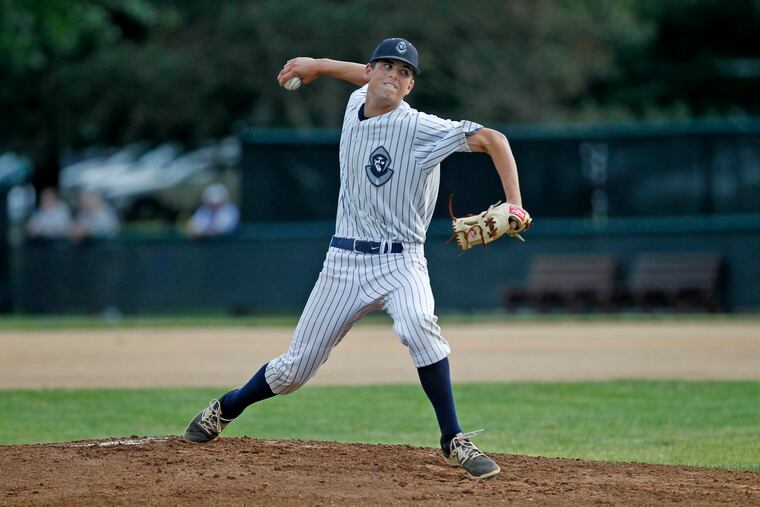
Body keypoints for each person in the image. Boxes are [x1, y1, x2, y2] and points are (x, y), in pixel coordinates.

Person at [183, 38, 529, 480]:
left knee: (419, 325)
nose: (394, 75)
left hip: (401, 261)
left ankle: (453, 439)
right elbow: (357, 78)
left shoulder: (421, 128)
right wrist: (317, 65)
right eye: (386, 65)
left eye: (404, 72)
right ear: (371, 71)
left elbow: (493, 139)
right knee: (292, 372)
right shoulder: (354, 104)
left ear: (409, 87)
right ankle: (226, 407)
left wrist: (515, 203)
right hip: (343, 263)